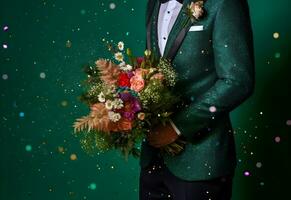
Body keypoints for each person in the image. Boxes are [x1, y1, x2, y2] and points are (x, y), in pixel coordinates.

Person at [139, 0, 255, 199]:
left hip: (201, 161)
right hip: (153, 158)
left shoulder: (224, 4)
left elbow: (238, 81)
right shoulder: (154, 3)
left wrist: (178, 127)